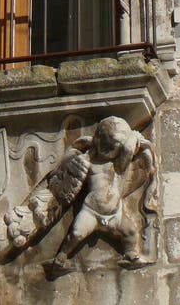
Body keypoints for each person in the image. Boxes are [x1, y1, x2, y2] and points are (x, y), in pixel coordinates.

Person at [52, 116, 156, 272]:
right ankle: (61, 258)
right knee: (76, 233)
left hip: (115, 214)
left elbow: (128, 150)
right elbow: (72, 159)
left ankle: (131, 255)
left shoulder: (119, 165)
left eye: (115, 145)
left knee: (130, 232)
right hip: (91, 212)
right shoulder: (90, 162)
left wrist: (134, 136)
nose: (110, 148)